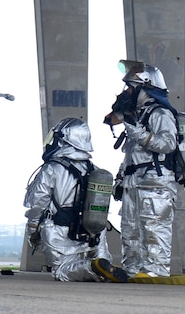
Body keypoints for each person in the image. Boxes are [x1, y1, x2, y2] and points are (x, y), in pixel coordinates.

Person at [23, 117, 130, 282]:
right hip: (93, 233)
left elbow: (38, 202)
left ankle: (92, 268)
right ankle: (100, 266)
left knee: (61, 271)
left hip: (59, 232)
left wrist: (32, 230)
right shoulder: (94, 170)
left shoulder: (52, 168)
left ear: (64, 140)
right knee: (100, 267)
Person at [105, 60, 181, 277]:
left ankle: (155, 272)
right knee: (130, 230)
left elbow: (168, 144)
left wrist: (138, 133)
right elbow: (132, 155)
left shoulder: (160, 113)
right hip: (134, 183)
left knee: (153, 230)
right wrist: (121, 177)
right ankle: (133, 271)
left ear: (145, 87)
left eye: (131, 87)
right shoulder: (138, 116)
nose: (127, 92)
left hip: (154, 185)